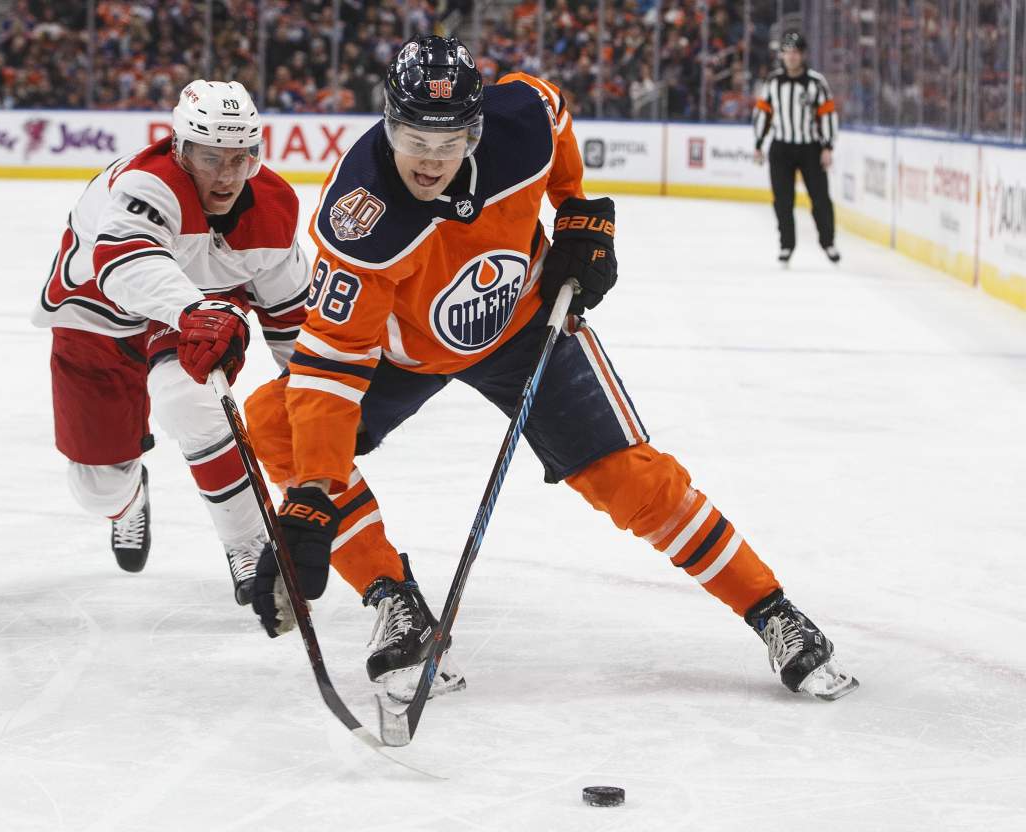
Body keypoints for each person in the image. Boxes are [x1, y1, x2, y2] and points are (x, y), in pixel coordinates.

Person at [246, 35, 858, 702]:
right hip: (406, 353)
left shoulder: (522, 124)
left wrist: (577, 209)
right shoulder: (362, 219)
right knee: (275, 423)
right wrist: (314, 494)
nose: (431, 160)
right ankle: (395, 599)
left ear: (477, 130)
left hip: (525, 324)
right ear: (388, 124)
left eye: (450, 141)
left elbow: (554, 110)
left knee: (631, 480)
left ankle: (772, 611)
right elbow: (329, 368)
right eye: (415, 138)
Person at [31, 80, 309, 604]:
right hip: (99, 313)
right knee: (98, 488)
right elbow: (124, 264)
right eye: (211, 158)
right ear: (180, 149)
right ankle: (127, 498)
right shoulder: (147, 184)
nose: (226, 175)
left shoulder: (274, 206)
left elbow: (291, 317)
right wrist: (194, 311)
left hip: (195, 304)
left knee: (190, 399)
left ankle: (250, 545)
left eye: (240, 158)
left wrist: (319, 392)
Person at [753, 31, 841, 266]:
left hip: (810, 148)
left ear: (803, 55)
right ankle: (786, 245)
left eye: (795, 52)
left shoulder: (816, 82)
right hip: (781, 148)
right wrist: (759, 143)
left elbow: (827, 114)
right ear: (781, 55)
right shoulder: (773, 82)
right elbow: (762, 113)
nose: (791, 57)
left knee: (820, 198)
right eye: (787, 52)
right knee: (782, 200)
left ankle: (828, 242)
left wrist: (827, 146)